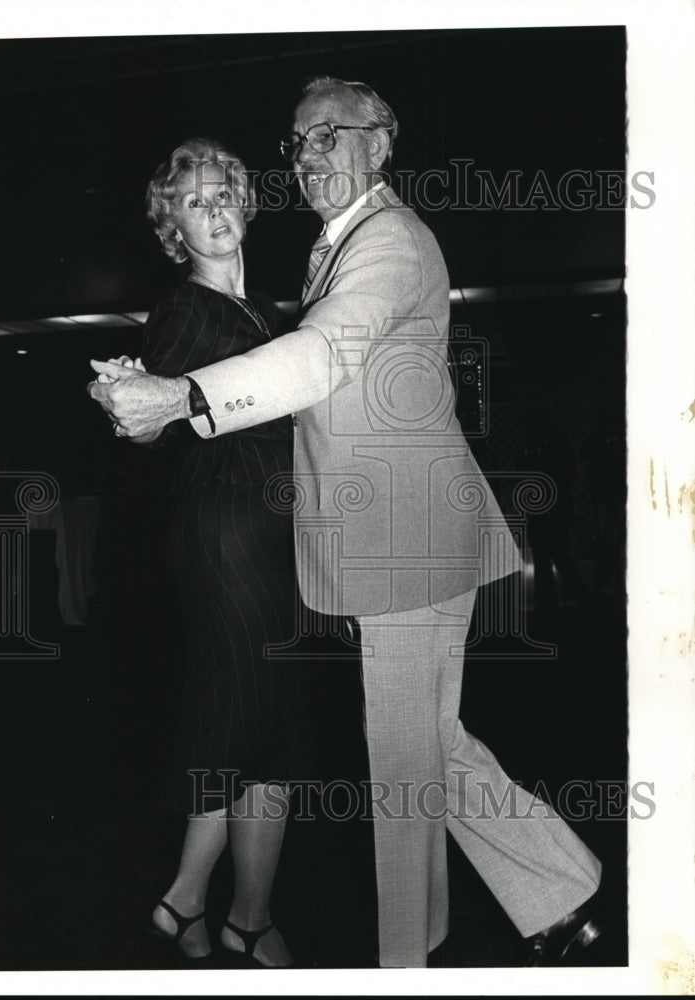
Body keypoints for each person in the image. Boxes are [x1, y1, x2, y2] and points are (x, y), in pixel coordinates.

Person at [90, 78, 603, 969]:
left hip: (404, 542)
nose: (310, 152)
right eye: (298, 141)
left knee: (403, 769)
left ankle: (409, 961)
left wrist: (177, 395)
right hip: (399, 539)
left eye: (331, 133)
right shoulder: (338, 249)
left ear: (382, 142)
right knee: (426, 747)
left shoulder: (389, 239)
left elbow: (322, 356)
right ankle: (558, 893)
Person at [96, 138, 307, 968]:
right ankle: (190, 898)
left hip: (261, 531)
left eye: (223, 194)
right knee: (251, 720)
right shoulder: (187, 308)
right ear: (172, 226)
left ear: (245, 204)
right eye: (194, 201)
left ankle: (238, 915)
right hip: (228, 533)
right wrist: (120, 396)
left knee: (266, 724)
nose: (213, 209)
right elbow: (148, 428)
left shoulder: (261, 315)